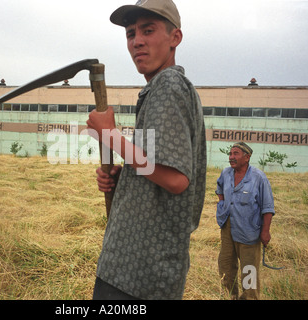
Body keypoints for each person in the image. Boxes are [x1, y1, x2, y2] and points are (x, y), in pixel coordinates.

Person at [86, 0, 206, 300]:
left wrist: (110, 136)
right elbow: (155, 165)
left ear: (174, 38)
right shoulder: (160, 90)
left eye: (148, 30)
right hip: (135, 270)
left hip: (138, 275)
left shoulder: (169, 84)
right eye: (130, 34)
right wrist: (124, 175)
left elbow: (176, 179)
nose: (137, 41)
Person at [215, 142, 275, 300]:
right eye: (230, 154)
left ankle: (250, 297)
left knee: (249, 270)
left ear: (247, 157)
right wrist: (222, 206)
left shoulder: (258, 177)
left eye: (236, 154)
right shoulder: (226, 173)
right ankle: (230, 296)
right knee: (226, 265)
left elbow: (267, 207)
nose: (231, 157)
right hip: (228, 228)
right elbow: (219, 189)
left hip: (249, 231)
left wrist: (265, 231)